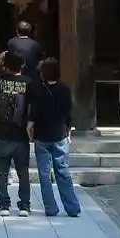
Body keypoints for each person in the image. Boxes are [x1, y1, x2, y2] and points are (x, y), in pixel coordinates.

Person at [27, 57, 80, 218]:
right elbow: (68, 112)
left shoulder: (39, 90)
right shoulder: (64, 89)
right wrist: (69, 130)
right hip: (60, 133)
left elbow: (33, 113)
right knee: (63, 170)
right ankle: (72, 207)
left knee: (44, 174)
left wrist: (29, 129)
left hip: (42, 135)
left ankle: (50, 208)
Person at [0, 51, 32, 216]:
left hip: (1, 133)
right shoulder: (28, 83)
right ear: (22, 65)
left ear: (5, 64)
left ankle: (4, 205)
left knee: (2, 172)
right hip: (21, 134)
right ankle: (24, 205)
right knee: (23, 172)